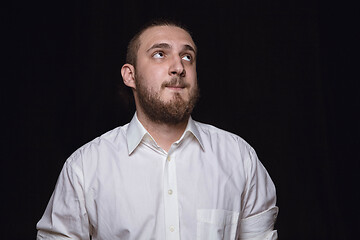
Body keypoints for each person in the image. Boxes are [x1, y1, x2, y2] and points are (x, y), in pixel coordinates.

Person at [36, 19, 278, 240]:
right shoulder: (85, 168)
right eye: (160, 54)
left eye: (187, 57)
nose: (178, 67)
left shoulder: (239, 158)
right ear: (130, 75)